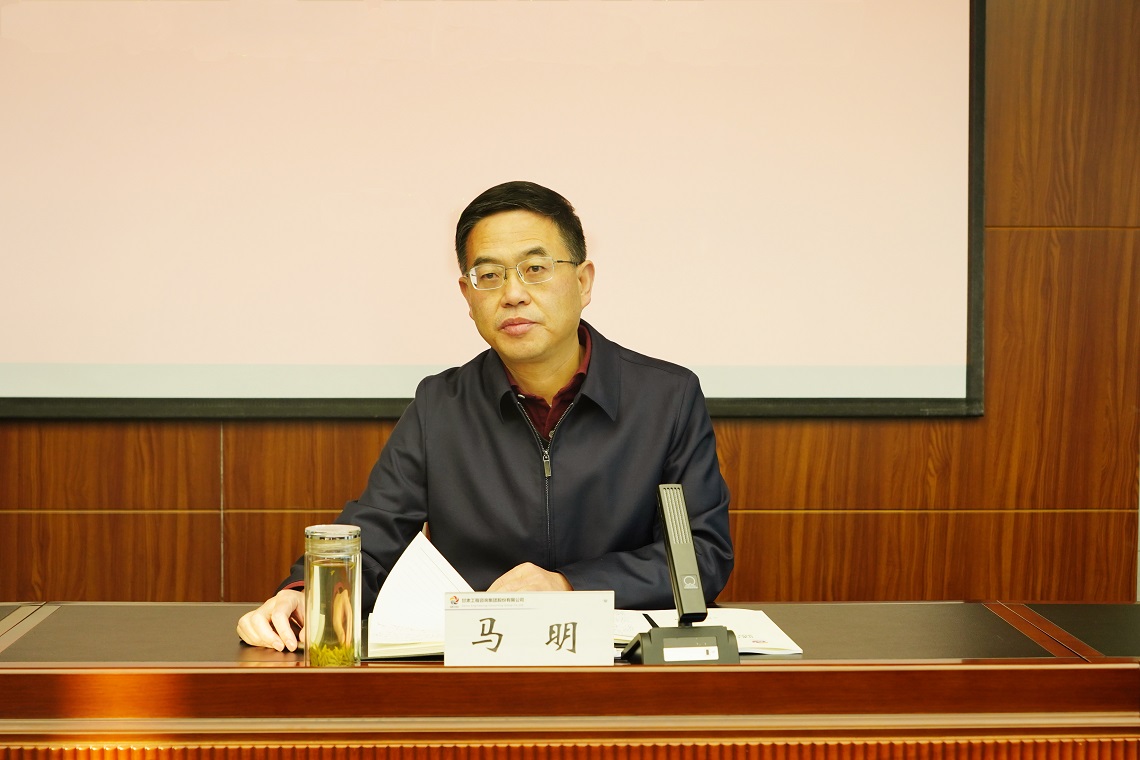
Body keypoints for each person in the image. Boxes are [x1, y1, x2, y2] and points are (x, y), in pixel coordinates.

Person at [237, 180, 733, 651]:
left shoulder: (666, 398)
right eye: (489, 276)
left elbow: (701, 556)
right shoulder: (440, 405)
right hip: (480, 660)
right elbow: (377, 529)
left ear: (583, 282)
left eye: (535, 268)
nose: (513, 293)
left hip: (622, 665)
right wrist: (307, 595)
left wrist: (568, 585)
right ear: (467, 296)